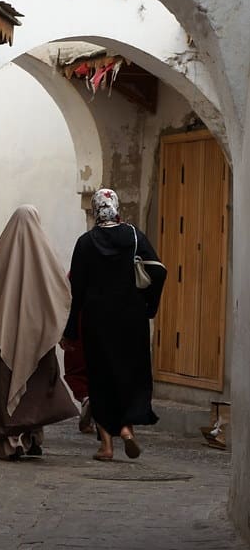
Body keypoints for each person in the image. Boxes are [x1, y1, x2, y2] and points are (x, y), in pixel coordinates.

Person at [61, 188, 167, 462]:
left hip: (97, 319)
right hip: (130, 318)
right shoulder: (133, 236)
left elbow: (78, 291)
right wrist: (148, 305)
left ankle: (106, 446)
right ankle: (126, 429)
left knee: (101, 379)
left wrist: (71, 330)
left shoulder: (85, 243)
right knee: (127, 375)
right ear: (116, 208)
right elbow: (158, 269)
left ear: (96, 210)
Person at [0, 206, 77, 460]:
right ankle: (31, 439)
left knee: (3, 390)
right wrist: (58, 329)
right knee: (34, 392)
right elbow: (62, 294)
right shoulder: (47, 257)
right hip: (38, 341)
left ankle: (7, 443)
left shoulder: (1, 256)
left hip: (6, 338)